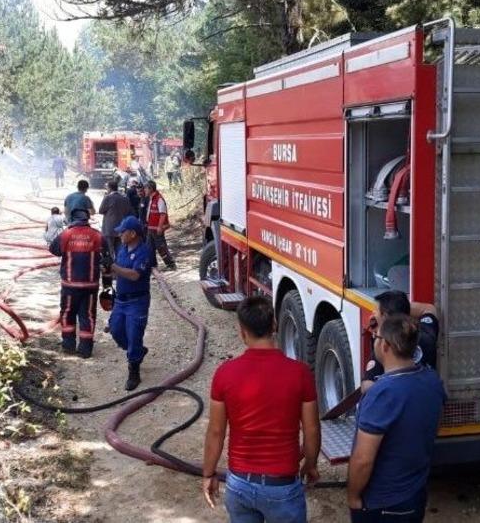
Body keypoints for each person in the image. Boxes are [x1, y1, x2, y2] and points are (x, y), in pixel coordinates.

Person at [202, 296, 320, 523]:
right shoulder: (300, 373)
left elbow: (216, 432)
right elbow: (312, 429)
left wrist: (209, 473)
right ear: (274, 325)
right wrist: (311, 464)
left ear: (242, 331)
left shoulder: (224, 374)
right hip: (283, 485)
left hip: (239, 485)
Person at [347, 314, 446, 522]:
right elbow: (434, 429)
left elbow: (363, 460)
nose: (374, 338)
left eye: (377, 336)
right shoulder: (432, 380)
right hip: (415, 496)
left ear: (386, 346)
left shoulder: (382, 393)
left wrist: (353, 496)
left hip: (382, 505)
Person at [104, 216, 153, 390]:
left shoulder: (144, 252)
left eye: (122, 231)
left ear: (132, 234)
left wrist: (114, 267)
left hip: (137, 301)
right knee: (116, 330)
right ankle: (137, 351)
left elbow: (134, 275)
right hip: (121, 300)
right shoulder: (122, 248)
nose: (119, 235)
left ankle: (134, 371)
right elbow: (118, 272)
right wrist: (107, 272)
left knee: (134, 335)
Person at [48, 209, 103, 358]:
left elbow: (53, 249)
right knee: (88, 315)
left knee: (67, 313)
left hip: (70, 285)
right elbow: (107, 258)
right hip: (90, 285)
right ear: (87, 219)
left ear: (72, 219)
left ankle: (68, 345)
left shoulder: (66, 234)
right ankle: (85, 349)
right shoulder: (97, 235)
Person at [360, 291, 440, 393]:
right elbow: (429, 309)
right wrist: (401, 307)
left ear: (384, 316)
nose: (373, 314)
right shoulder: (426, 334)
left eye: (376, 311)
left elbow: (367, 386)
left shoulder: (384, 346)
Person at [143, 180, 176, 270]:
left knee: (161, 248)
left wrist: (160, 227)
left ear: (151, 189)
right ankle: (152, 265)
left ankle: (171, 265)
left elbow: (162, 214)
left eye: (146, 188)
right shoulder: (151, 199)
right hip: (151, 228)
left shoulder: (159, 199)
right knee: (149, 248)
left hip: (156, 229)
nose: (144, 190)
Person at [98, 179, 132, 256]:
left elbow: (101, 210)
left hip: (109, 228)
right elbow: (128, 211)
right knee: (119, 248)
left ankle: (111, 266)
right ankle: (119, 264)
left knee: (109, 249)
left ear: (109, 188)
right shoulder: (124, 198)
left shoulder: (108, 198)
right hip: (121, 227)